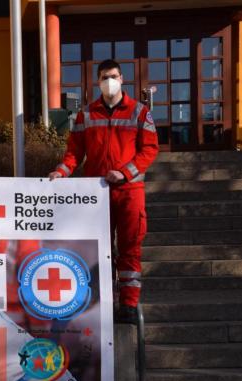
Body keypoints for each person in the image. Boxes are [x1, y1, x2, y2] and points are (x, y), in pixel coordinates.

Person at [48, 59, 159, 324]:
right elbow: (75, 152)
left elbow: (150, 149)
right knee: (101, 250)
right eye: (103, 77)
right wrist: (61, 171)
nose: (108, 81)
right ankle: (104, 303)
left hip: (129, 190)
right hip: (96, 192)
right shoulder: (86, 115)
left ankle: (129, 306)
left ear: (122, 79)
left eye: (112, 76)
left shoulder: (140, 112)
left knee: (130, 248)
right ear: (98, 82)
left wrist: (126, 171)